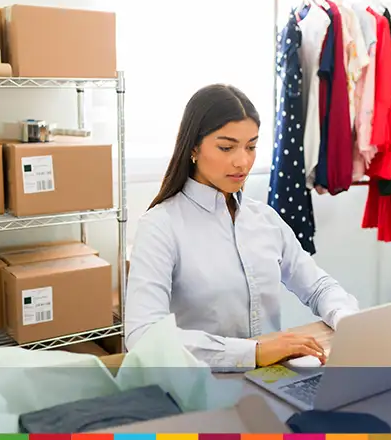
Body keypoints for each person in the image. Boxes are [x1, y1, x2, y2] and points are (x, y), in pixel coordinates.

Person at [124, 84, 360, 370]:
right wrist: (254, 352)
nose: (243, 161)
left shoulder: (265, 219)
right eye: (226, 147)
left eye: (251, 146)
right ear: (194, 148)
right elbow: (142, 336)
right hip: (203, 388)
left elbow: (318, 287)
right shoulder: (160, 226)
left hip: (274, 381)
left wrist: (348, 321)